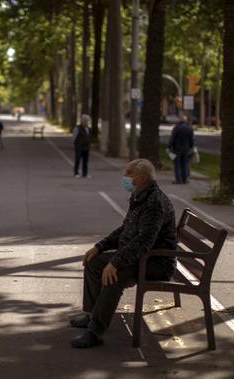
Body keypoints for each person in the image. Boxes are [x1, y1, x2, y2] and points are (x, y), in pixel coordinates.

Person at [69, 159, 177, 348]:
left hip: (156, 262)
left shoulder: (154, 203)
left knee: (114, 275)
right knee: (94, 263)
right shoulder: (140, 196)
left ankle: (95, 331)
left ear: (142, 177)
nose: (125, 177)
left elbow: (144, 242)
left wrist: (115, 262)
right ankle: (93, 314)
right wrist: (100, 247)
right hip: (142, 257)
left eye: (129, 173)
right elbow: (125, 229)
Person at [167, 115, 195, 184]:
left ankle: (178, 180)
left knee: (177, 164)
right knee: (185, 164)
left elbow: (172, 138)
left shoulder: (177, 127)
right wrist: (192, 147)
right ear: (186, 120)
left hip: (177, 149)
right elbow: (192, 140)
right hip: (186, 149)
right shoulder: (190, 128)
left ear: (180, 120)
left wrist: (169, 146)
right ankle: (185, 179)